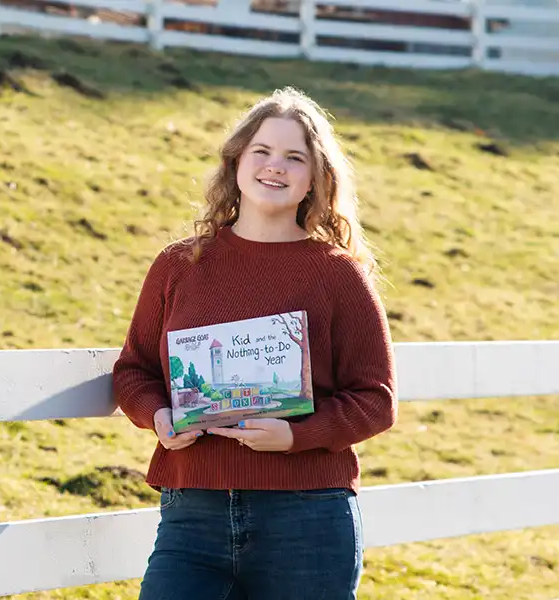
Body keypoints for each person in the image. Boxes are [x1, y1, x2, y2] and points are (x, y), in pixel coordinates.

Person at [112, 87, 398, 600]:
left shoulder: (339, 276)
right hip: (192, 511)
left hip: (307, 516)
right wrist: (156, 415)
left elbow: (375, 400)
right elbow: (134, 370)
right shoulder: (179, 266)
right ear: (237, 160)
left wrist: (295, 436)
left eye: (295, 157)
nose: (275, 167)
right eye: (262, 151)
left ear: (316, 178)